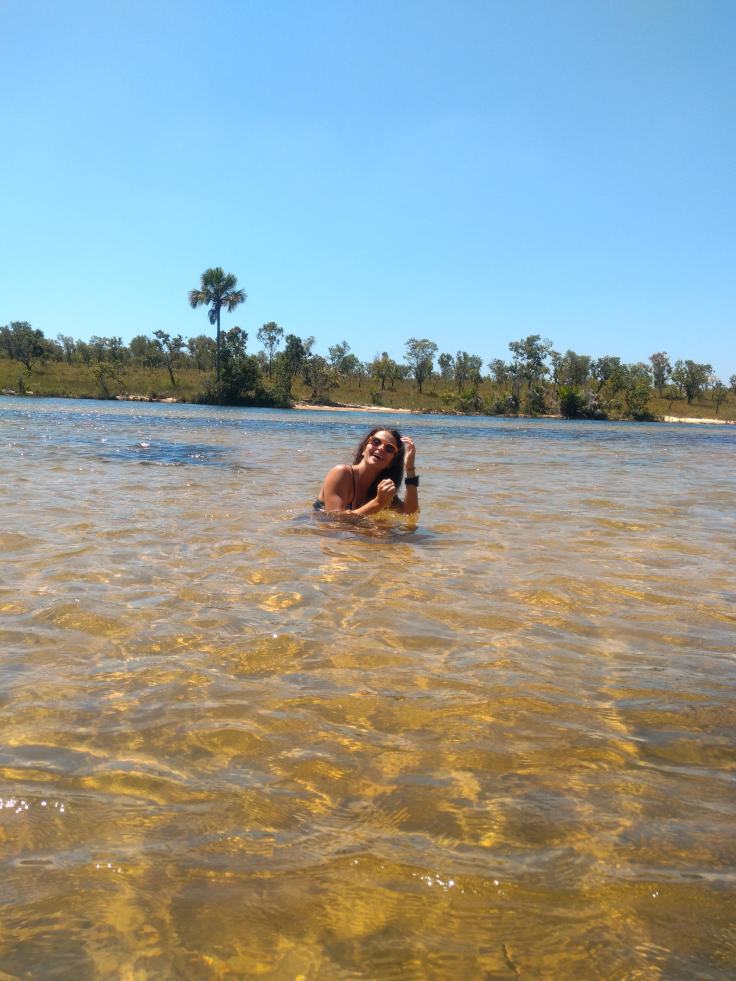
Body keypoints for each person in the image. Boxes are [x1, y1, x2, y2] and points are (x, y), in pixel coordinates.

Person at [313, 426, 419, 516]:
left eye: (389, 448)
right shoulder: (342, 473)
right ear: (364, 448)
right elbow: (334, 520)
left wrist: (410, 469)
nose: (381, 448)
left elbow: (410, 513)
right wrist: (378, 503)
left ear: (392, 462)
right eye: (376, 442)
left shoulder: (380, 488)